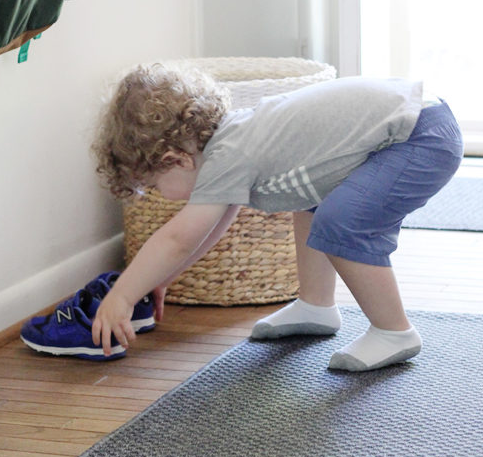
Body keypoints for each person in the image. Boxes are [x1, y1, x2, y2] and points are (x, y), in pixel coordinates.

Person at [90, 63, 463, 371]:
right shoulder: (231, 143)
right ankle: (317, 305)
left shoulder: (229, 155)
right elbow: (211, 227)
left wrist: (122, 296)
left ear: (175, 160)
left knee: (340, 220)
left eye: (154, 185)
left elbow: (179, 238)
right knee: (311, 200)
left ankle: (393, 330)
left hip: (420, 136)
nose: (159, 195)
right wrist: (162, 277)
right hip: (419, 120)